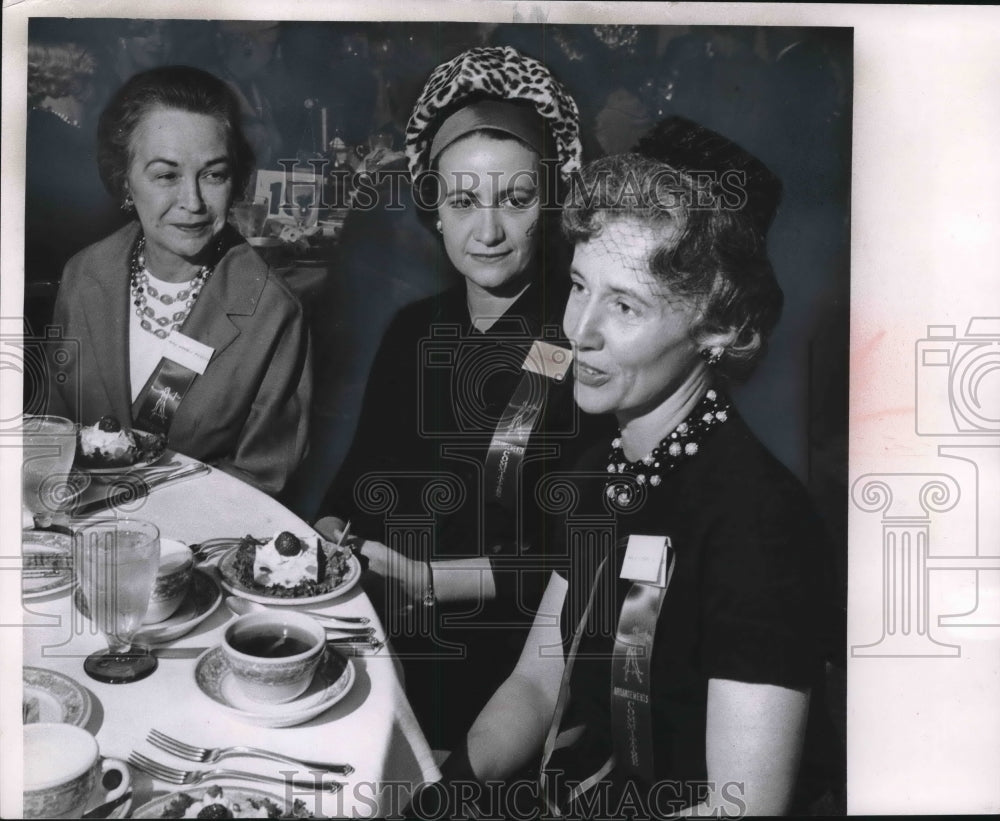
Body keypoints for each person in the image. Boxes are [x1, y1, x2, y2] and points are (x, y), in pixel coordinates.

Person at [414, 119, 838, 818]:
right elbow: (536, 682)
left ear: (717, 327)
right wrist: (455, 788)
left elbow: (744, 809)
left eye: (625, 304)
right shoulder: (596, 469)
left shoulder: (761, 528)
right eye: (581, 286)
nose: (578, 330)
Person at [315, 46, 611, 749]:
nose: (487, 231)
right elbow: (359, 476)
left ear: (553, 202)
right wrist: (328, 530)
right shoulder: (413, 328)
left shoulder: (584, 345)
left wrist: (428, 579)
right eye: (463, 202)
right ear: (434, 212)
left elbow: (581, 554)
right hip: (383, 625)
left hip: (513, 667)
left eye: (515, 200)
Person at [46, 66, 311, 496]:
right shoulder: (83, 275)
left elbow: (264, 480)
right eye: (167, 175)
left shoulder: (271, 312)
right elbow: (54, 429)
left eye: (214, 174)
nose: (192, 202)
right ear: (125, 181)